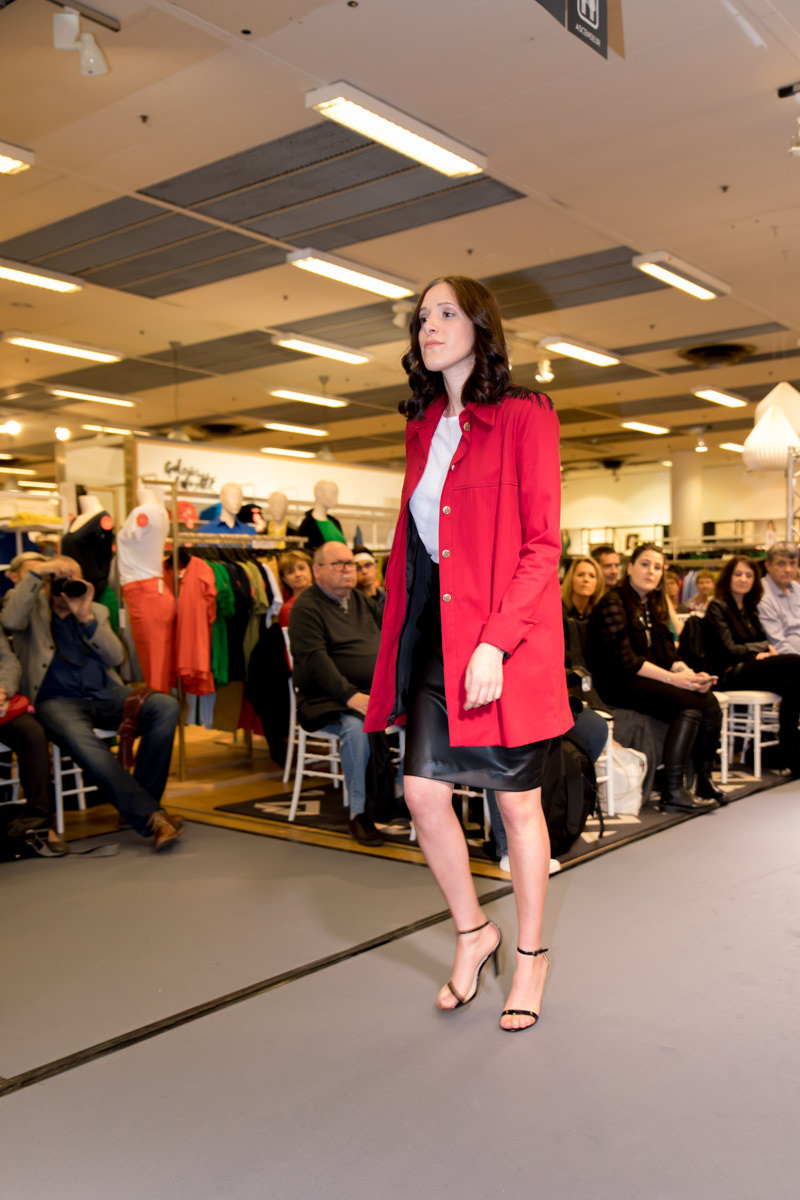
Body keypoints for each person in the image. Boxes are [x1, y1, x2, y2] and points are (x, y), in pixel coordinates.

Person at [365, 275, 572, 1032]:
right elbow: (424, 545)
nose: (429, 325)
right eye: (423, 316)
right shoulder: (423, 426)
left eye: (446, 312)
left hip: (503, 639)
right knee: (424, 795)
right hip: (435, 634)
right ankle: (473, 932)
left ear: (481, 326)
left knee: (517, 805)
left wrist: (494, 641)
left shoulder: (524, 415)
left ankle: (531, 955)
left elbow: (541, 544)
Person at [1, 555, 182, 851]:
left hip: (104, 695)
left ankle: (143, 807)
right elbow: (9, 619)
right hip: (55, 701)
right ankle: (151, 816)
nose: (67, 585)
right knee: (84, 742)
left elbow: (116, 657)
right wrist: (41, 572)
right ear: (48, 583)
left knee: (165, 706)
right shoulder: (30, 608)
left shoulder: (95, 610)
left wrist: (85, 616)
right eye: (60, 579)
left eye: (73, 579)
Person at [586, 543, 723, 814]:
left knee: (707, 701)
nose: (651, 571)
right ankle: (674, 789)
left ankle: (700, 780)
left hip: (645, 680)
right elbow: (627, 661)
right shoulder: (613, 602)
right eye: (645, 564)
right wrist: (674, 680)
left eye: (658, 567)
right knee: (693, 703)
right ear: (630, 568)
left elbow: (668, 654)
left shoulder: (653, 604)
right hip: (616, 683)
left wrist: (689, 674)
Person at [288, 542, 387, 846]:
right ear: (317, 570)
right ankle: (360, 813)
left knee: (425, 714)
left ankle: (405, 797)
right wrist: (350, 697)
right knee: (357, 727)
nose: (348, 569)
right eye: (339, 564)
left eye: (351, 563)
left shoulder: (363, 602)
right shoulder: (306, 608)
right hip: (325, 698)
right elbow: (316, 662)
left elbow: (390, 643)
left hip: (370, 694)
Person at [704, 556, 800, 776]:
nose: (743, 579)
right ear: (728, 577)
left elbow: (761, 641)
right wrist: (759, 650)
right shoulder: (717, 606)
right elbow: (728, 649)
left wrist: (761, 651)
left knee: (794, 685)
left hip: (752, 668)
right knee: (796, 661)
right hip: (729, 672)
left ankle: (790, 754)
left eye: (748, 575)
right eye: (738, 574)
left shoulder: (751, 607)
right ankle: (790, 752)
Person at [757, 543, 800, 656]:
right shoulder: (762, 595)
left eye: (792, 563)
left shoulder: (797, 588)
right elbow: (778, 643)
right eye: (781, 563)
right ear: (768, 566)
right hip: (789, 660)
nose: (788, 569)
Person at [277, 550, 313, 628]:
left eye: (301, 568)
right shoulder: (288, 610)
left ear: (311, 570)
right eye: (290, 572)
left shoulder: (327, 598)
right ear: (284, 579)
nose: (297, 574)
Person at [353, 547, 386, 617]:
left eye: (367, 565)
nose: (364, 571)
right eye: (358, 568)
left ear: (375, 568)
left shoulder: (388, 599)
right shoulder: (352, 604)